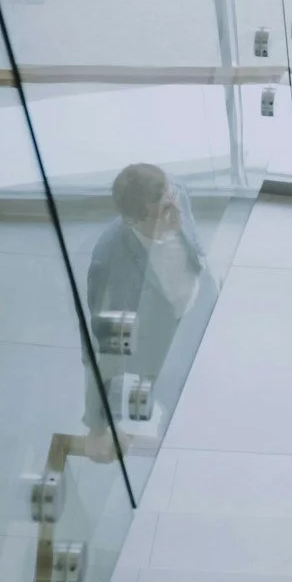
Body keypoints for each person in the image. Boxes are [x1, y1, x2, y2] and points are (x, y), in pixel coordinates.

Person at [85, 162, 207, 427]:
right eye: (164, 212)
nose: (176, 215)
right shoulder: (110, 263)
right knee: (175, 397)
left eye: (173, 200)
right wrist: (96, 425)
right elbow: (105, 346)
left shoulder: (174, 192)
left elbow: (190, 234)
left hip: (197, 303)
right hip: (160, 339)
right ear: (132, 220)